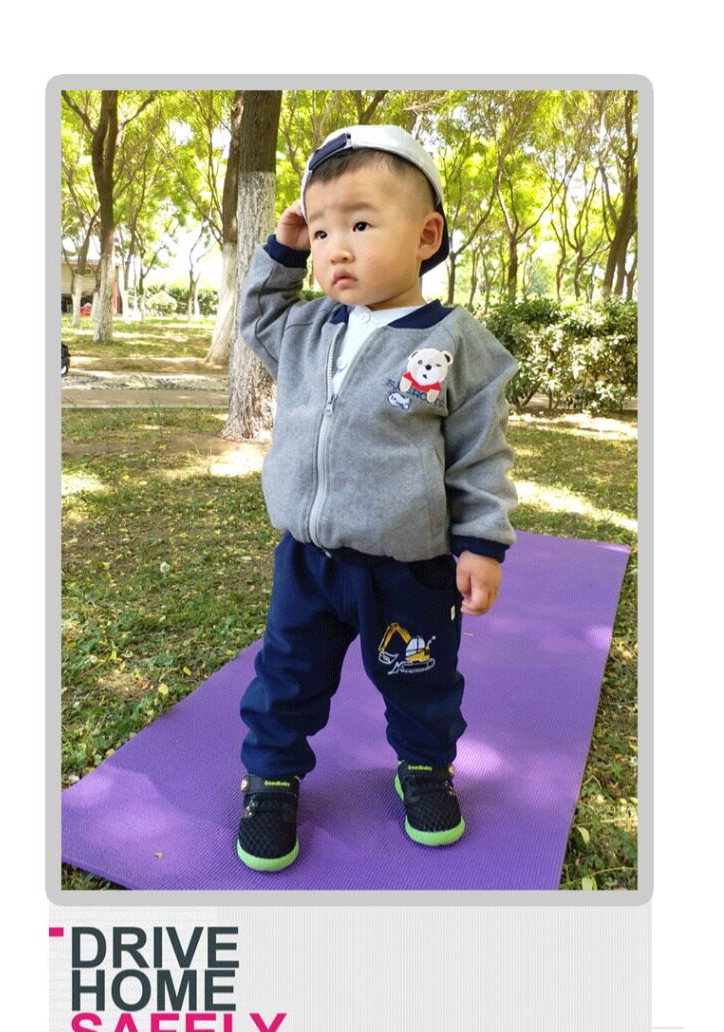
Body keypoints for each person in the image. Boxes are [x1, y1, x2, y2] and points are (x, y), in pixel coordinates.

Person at [234, 124, 518, 872]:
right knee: (286, 675)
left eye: (359, 224)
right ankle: (271, 778)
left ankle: (425, 767)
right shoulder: (307, 326)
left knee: (422, 682)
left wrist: (481, 543)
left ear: (426, 236)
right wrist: (283, 253)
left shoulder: (454, 341)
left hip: (408, 569)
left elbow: (480, 451)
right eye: (322, 230)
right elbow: (256, 320)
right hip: (308, 561)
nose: (336, 248)